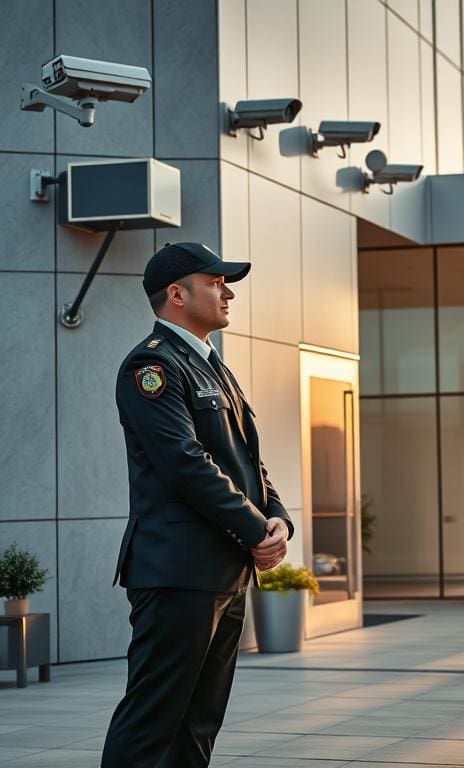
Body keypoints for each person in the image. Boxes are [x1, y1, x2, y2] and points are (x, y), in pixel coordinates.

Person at [100, 242, 295, 768]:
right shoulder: (151, 366)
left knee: (199, 724)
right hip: (178, 571)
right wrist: (256, 530)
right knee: (153, 719)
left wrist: (277, 519)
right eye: (215, 282)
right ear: (176, 294)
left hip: (222, 572)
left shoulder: (213, 368)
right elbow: (186, 463)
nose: (227, 291)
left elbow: (246, 461)